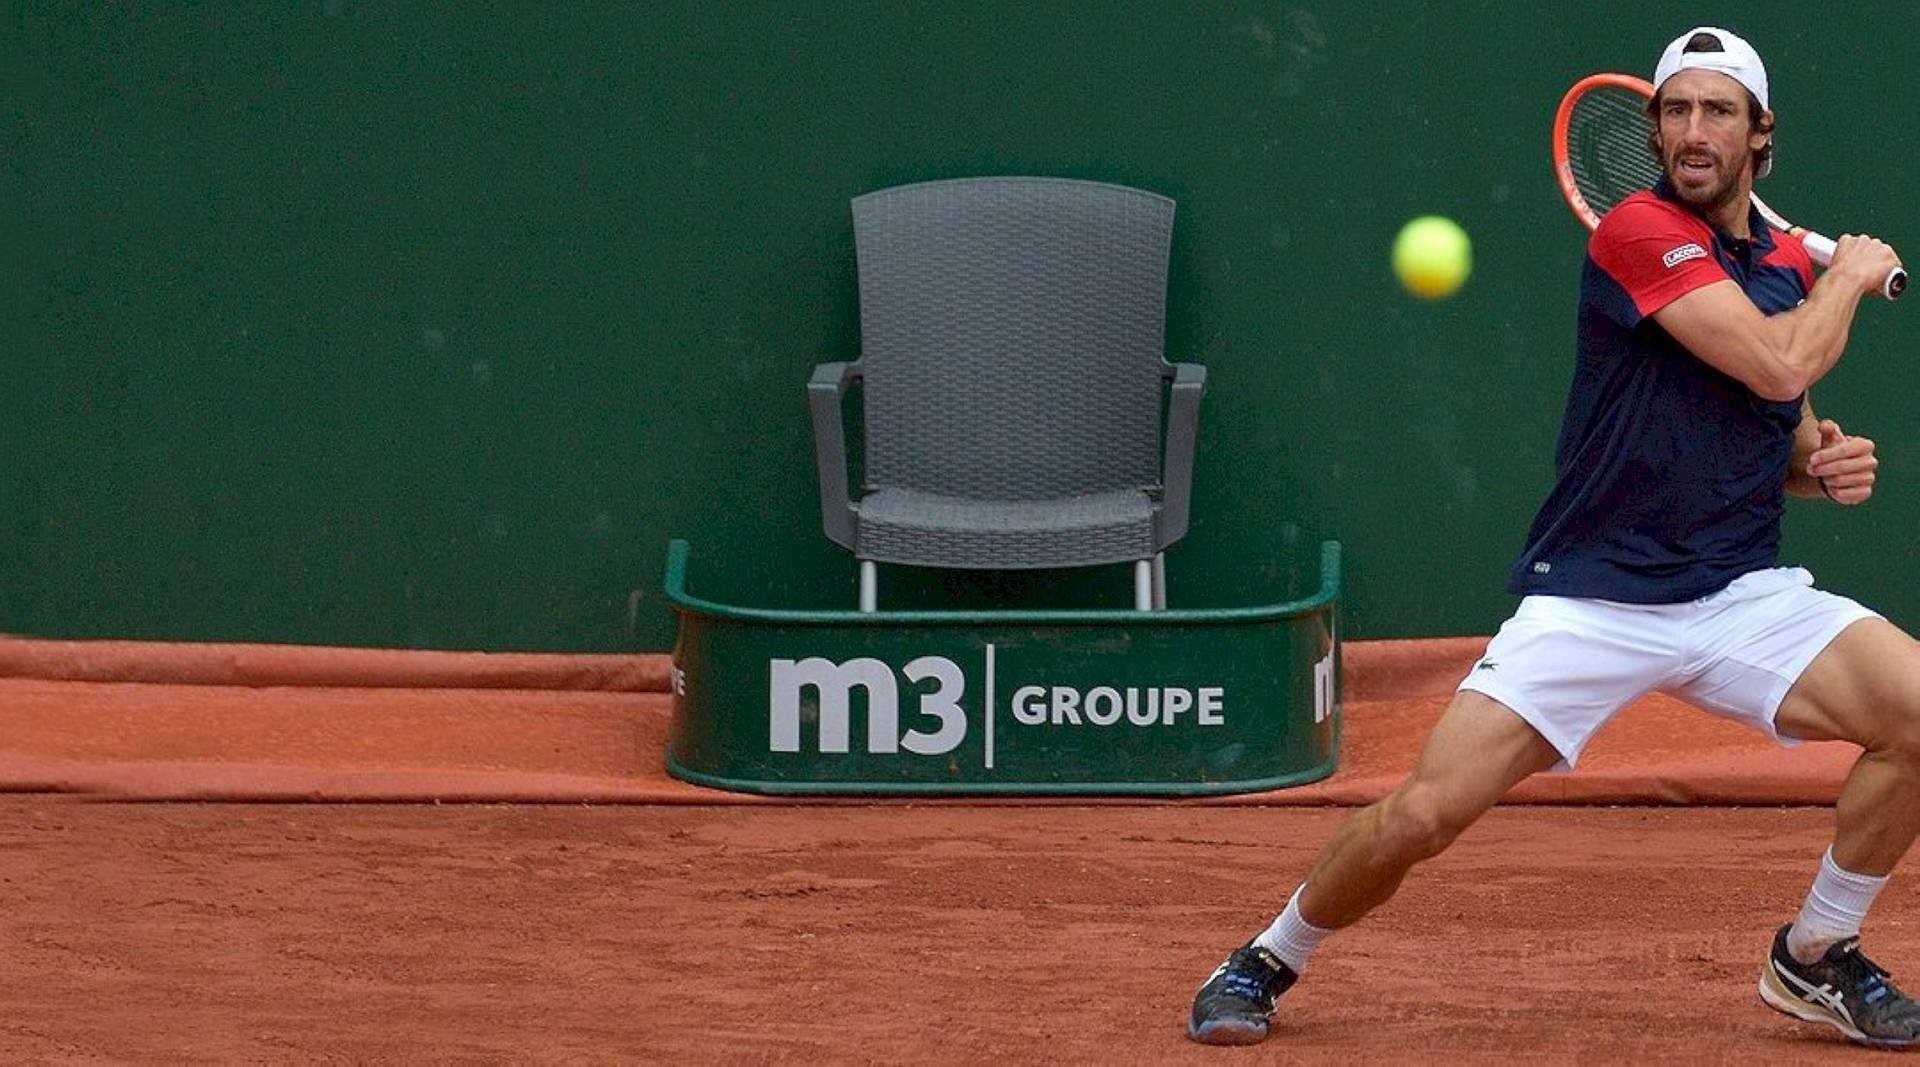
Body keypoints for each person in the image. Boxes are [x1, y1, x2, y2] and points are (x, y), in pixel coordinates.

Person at [1188, 26, 1920, 1049]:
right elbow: (1772, 363)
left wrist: (1821, 466)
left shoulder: (1784, 268)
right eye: (1675, 110)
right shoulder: (1635, 230)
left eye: (1717, 111)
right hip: (1593, 600)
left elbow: (1779, 422)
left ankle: (1815, 952)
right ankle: (1266, 956)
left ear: (1761, 137)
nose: (1691, 131)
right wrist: (1846, 278)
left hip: (1739, 593)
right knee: (1423, 814)